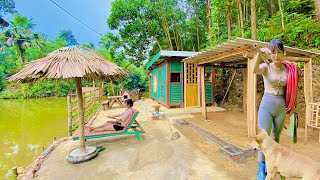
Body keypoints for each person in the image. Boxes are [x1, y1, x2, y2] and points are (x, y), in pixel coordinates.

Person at [253, 39, 289, 180]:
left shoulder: (288, 69)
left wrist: (292, 108)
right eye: (273, 52)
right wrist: (258, 54)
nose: (276, 55)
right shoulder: (266, 67)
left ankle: (272, 164)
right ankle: (261, 167)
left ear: (284, 53)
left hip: (281, 106)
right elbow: (254, 70)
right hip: (267, 105)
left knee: (276, 138)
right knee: (264, 138)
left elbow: (292, 87)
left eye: (279, 52)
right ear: (270, 54)